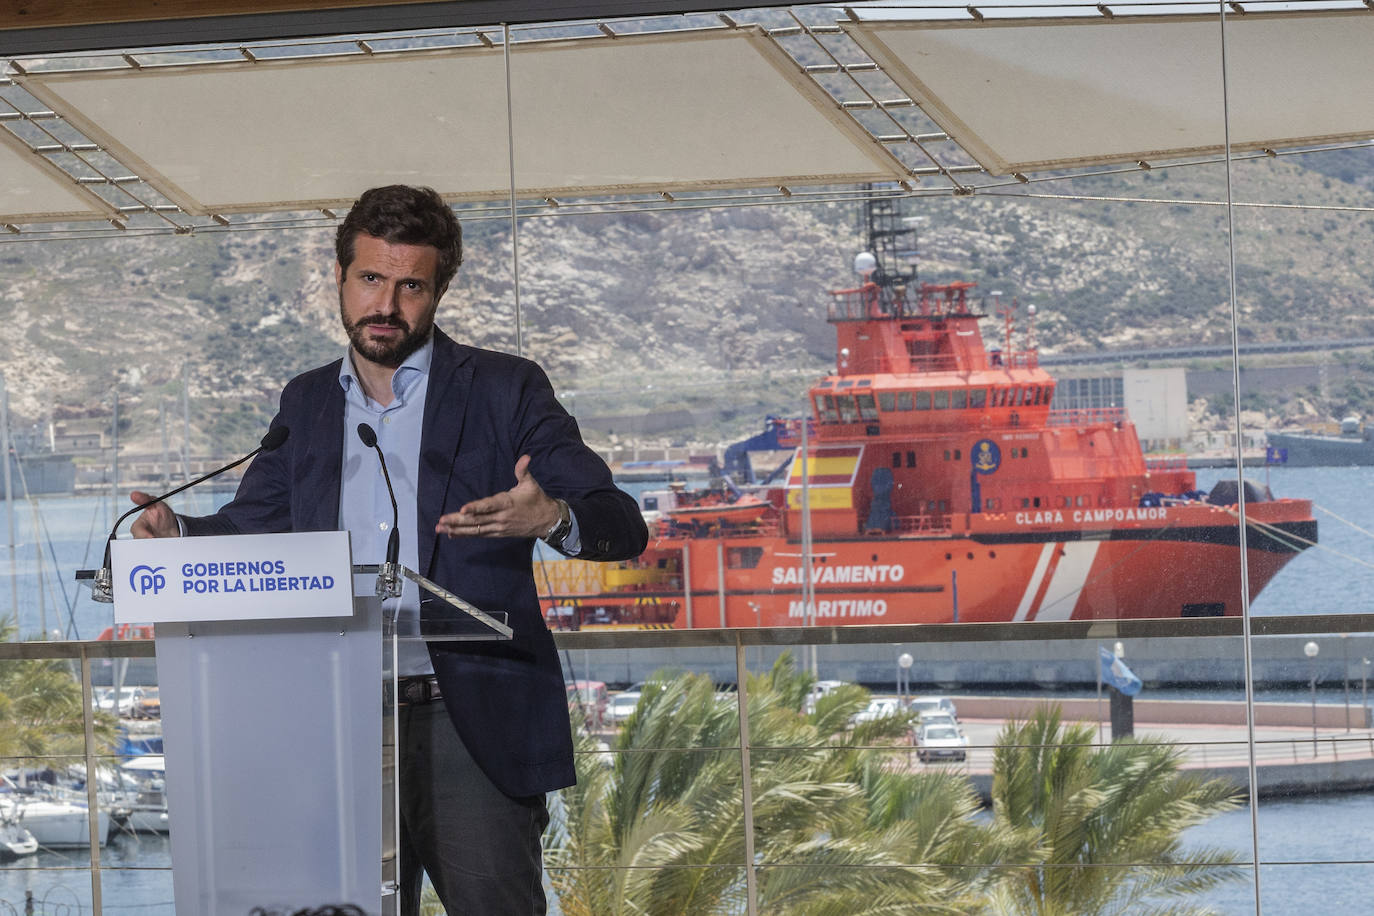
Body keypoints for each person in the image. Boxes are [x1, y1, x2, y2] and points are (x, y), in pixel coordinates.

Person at [131, 184, 648, 915]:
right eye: (371, 279)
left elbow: (620, 524)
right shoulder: (307, 403)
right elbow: (257, 527)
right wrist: (177, 533)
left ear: (439, 290)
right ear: (340, 279)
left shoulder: (504, 390)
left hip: (468, 724)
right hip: (330, 721)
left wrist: (552, 516)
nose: (387, 304)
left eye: (411, 286)